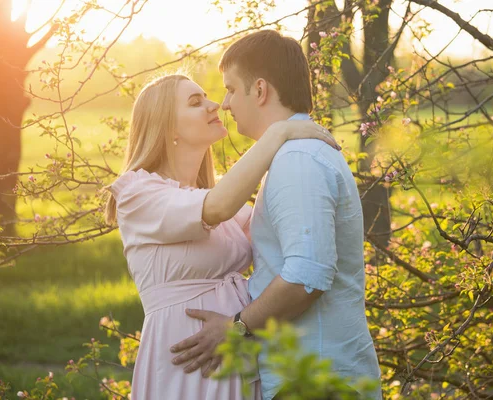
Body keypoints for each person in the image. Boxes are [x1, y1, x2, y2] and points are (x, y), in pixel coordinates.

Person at [170, 30, 383, 400]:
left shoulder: (297, 160)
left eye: (232, 89)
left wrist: (235, 328)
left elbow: (307, 275)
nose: (225, 103)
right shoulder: (290, 155)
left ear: (261, 90)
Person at [105, 73, 338, 399]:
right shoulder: (138, 193)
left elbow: (282, 240)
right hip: (188, 361)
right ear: (167, 126)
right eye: (195, 102)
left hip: (235, 353)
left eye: (206, 97)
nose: (214, 104)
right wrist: (279, 133)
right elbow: (216, 208)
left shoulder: (219, 202)